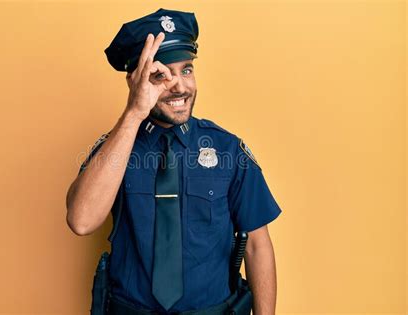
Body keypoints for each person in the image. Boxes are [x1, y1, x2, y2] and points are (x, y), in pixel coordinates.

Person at [66, 8, 283, 315]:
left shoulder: (228, 150)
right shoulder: (115, 148)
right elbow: (82, 220)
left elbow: (257, 246)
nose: (180, 86)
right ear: (135, 81)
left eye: (186, 70)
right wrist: (134, 113)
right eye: (160, 75)